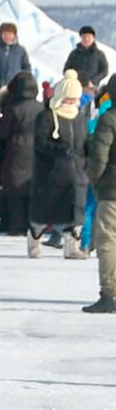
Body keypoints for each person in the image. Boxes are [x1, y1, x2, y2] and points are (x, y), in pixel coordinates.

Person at [27, 70, 89, 259]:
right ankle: (34, 237)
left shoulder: (80, 118)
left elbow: (84, 141)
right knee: (43, 212)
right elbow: (41, 142)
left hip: (76, 174)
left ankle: (72, 247)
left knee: (75, 212)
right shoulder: (46, 117)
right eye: (68, 99)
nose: (71, 103)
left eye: (74, 99)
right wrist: (60, 150)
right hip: (50, 174)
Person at [0, 71, 42, 234]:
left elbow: (3, 132)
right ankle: (33, 226)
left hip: (15, 152)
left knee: (14, 190)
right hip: (36, 152)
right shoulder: (40, 107)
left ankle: (15, 226)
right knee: (31, 189)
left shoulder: (13, 109)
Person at [83, 81, 116, 312]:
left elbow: (99, 157)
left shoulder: (109, 119)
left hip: (112, 190)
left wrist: (96, 181)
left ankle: (110, 294)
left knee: (108, 241)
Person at [0, 22, 31, 103]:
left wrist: (26, 83)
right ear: (1, 35)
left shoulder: (20, 51)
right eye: (5, 34)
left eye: (10, 34)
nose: (8, 37)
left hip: (15, 88)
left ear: (15, 35)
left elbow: (26, 68)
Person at [63, 26, 109, 97]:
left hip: (91, 88)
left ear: (93, 38)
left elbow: (104, 71)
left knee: (86, 104)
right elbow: (66, 69)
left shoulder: (99, 54)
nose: (86, 39)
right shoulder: (74, 54)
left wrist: (93, 81)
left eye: (88, 37)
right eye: (84, 37)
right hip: (74, 87)